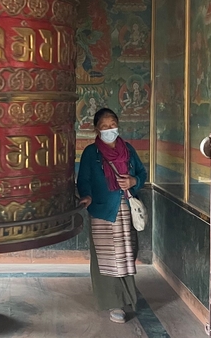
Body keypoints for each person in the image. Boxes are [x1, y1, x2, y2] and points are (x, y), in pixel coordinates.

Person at [76, 107, 148, 324]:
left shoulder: (128, 149)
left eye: (112, 124)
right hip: (102, 211)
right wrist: (87, 196)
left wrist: (134, 182)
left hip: (126, 208)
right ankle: (113, 302)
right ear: (96, 129)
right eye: (105, 126)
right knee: (107, 256)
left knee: (126, 252)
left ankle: (128, 298)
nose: (109, 129)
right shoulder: (91, 152)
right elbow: (84, 179)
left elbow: (142, 173)